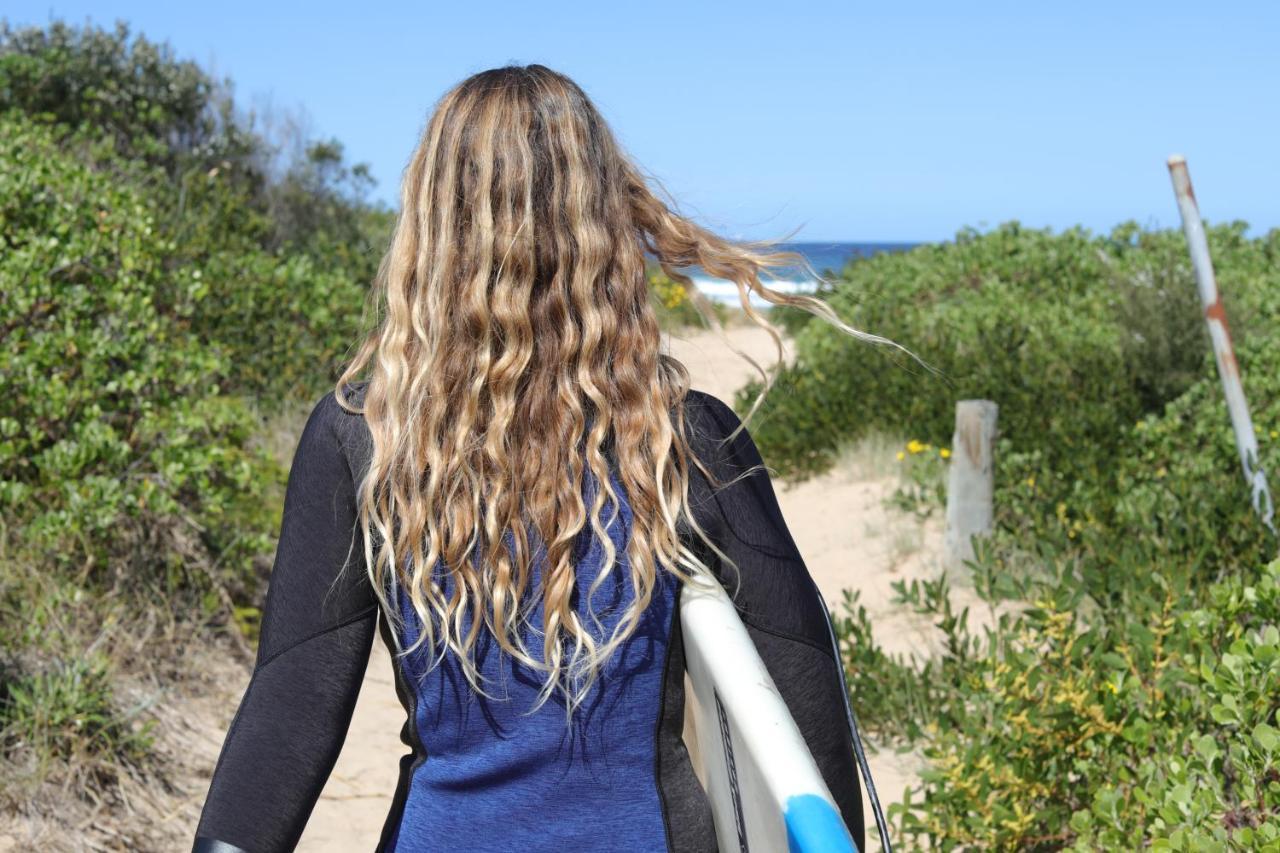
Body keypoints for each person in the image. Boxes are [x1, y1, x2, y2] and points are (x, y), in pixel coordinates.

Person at [193, 64, 890, 853]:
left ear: (432, 220)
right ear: (603, 213)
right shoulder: (685, 437)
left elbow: (292, 701)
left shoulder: (361, 436)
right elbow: (803, 690)